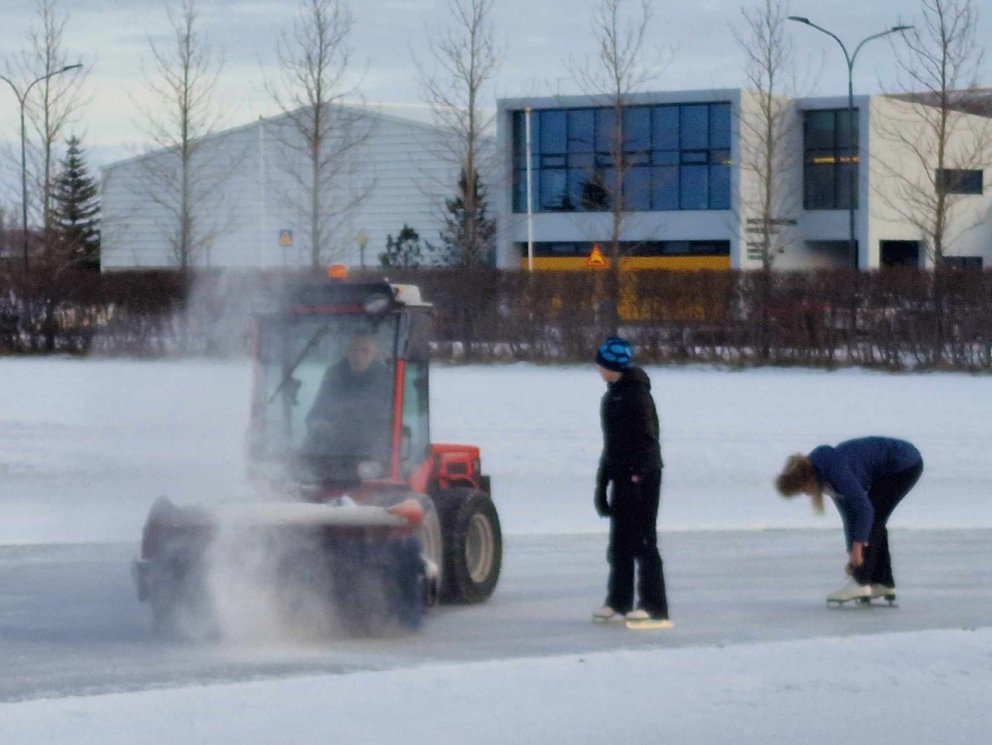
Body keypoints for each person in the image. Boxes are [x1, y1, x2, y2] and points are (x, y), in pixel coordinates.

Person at [775, 436, 924, 603]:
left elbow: (865, 511)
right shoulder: (825, 477)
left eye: (803, 489)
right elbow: (849, 516)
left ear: (810, 479)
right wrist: (852, 552)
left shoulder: (835, 471)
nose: (806, 495)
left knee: (873, 517)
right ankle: (882, 581)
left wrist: (858, 549)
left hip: (904, 464)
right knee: (874, 518)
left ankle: (861, 582)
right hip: (892, 467)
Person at [592, 336, 671, 627]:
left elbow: (648, 441)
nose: (598, 369)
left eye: (602, 365)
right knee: (620, 542)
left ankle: (655, 606)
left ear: (613, 366)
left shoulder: (637, 396)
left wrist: (637, 477)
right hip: (621, 476)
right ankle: (619, 601)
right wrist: (601, 486)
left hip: (643, 477)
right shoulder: (611, 397)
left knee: (643, 540)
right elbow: (611, 447)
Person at [304, 333, 391, 459]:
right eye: (354, 350)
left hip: (371, 452)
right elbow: (317, 409)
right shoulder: (334, 374)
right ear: (347, 353)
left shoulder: (386, 378)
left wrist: (341, 418)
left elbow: (381, 415)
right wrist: (316, 422)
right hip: (333, 446)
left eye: (364, 351)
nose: (358, 355)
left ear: (375, 355)